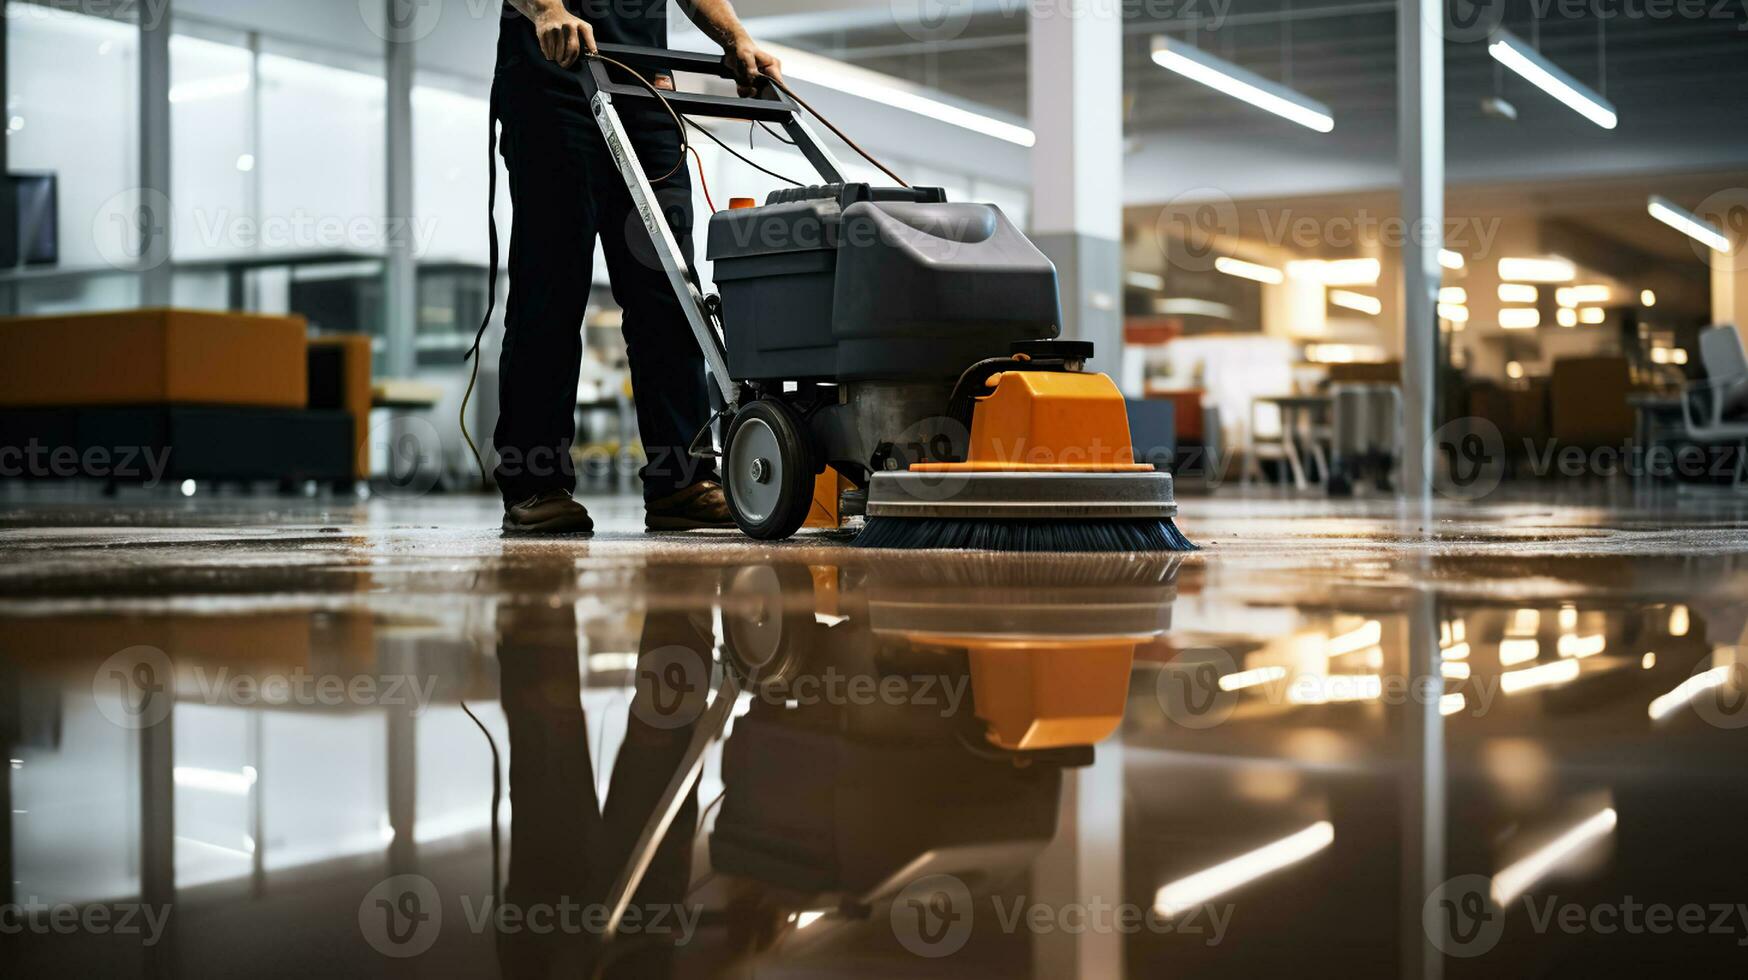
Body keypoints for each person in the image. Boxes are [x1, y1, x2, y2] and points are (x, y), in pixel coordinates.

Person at [495, 0, 782, 534]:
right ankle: (536, 483)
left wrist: (735, 37)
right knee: (550, 289)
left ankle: (683, 482)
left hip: (643, 85)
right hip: (551, 80)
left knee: (671, 292)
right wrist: (547, 9)